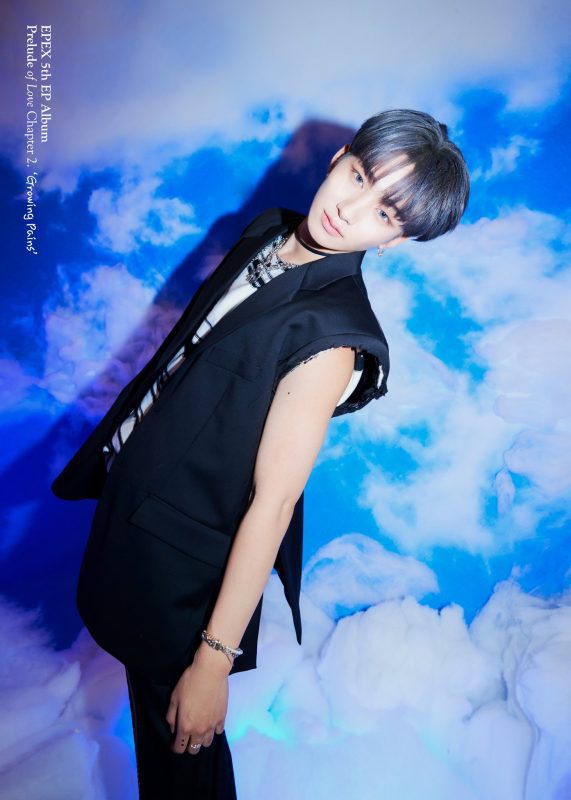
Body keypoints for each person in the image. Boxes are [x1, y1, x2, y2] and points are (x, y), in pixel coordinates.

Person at [51, 108, 470, 798]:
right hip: (135, 510)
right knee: (160, 737)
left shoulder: (333, 337)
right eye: (359, 177)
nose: (350, 211)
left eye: (383, 214)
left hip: (184, 570)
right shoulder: (269, 231)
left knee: (183, 764)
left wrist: (212, 662)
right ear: (338, 157)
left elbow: (274, 505)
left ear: (395, 240)